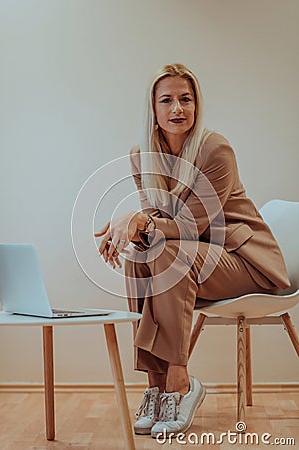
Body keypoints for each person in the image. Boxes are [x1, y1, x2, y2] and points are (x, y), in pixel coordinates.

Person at [95, 63, 290, 438]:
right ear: (152, 108)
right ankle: (155, 386)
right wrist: (130, 226)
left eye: (186, 99)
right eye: (166, 100)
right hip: (193, 261)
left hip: (243, 260)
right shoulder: (142, 154)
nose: (177, 109)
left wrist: (138, 221)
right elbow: (154, 220)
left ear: (197, 105)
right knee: (141, 254)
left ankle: (179, 382)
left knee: (168, 255)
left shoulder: (215, 149)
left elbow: (193, 225)